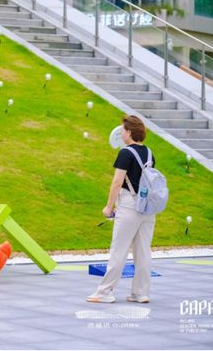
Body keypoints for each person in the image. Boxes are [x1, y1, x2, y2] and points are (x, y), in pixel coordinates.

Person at [87, 115, 156, 304]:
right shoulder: (150, 153)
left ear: (129, 132)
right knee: (143, 252)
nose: (122, 133)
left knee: (119, 250)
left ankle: (104, 292)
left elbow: (117, 182)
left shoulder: (125, 153)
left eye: (123, 130)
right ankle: (140, 293)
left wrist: (109, 207)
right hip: (148, 208)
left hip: (129, 206)